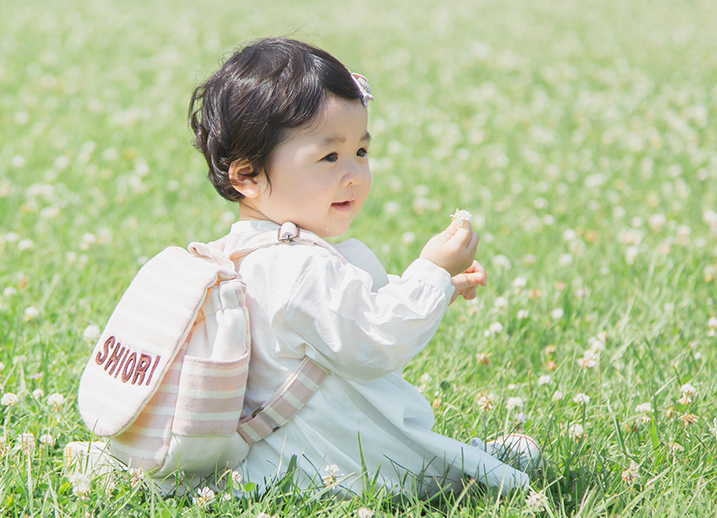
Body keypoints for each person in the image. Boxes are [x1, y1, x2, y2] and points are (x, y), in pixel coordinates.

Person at [188, 37, 535, 498]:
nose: (353, 174)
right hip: (333, 465)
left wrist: (437, 287)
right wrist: (430, 271)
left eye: (361, 153)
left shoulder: (237, 254)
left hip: (266, 458)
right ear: (247, 175)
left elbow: (345, 312)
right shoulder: (299, 267)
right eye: (329, 156)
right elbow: (376, 340)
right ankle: (461, 466)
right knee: (470, 469)